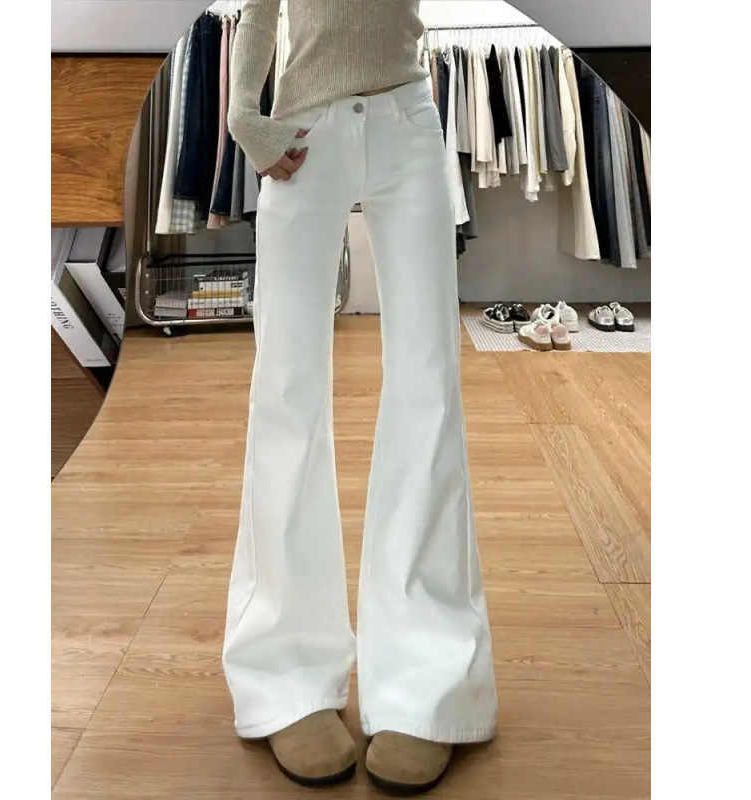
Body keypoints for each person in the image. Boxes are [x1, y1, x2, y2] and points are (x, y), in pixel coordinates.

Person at [222, 1, 497, 793]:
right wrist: (242, 115)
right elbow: (259, 11)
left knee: (427, 390)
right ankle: (284, 675)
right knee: (286, 394)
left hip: (407, 118)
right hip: (300, 133)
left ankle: (428, 683)